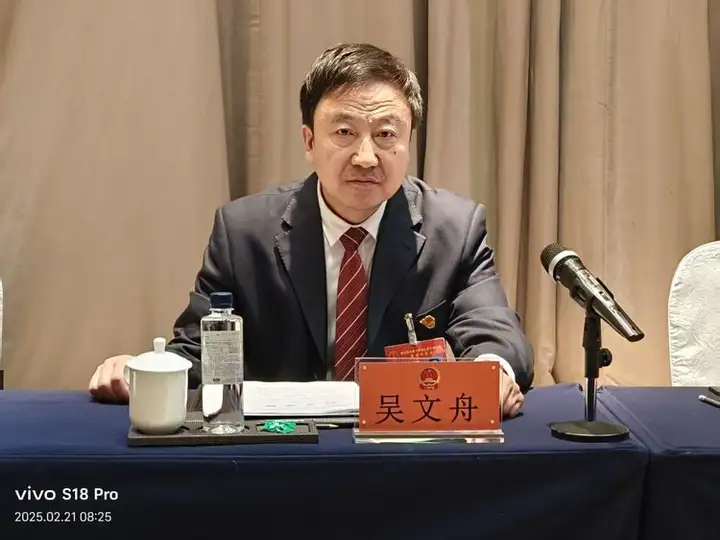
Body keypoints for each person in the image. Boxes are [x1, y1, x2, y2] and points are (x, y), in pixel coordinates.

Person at [89, 42, 533, 416]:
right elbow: (200, 351)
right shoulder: (243, 232)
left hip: (400, 448)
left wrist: (491, 370)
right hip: (283, 453)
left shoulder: (455, 229)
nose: (366, 157)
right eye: (344, 132)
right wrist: (142, 370)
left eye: (385, 135)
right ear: (309, 141)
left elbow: (494, 331)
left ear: (408, 142)